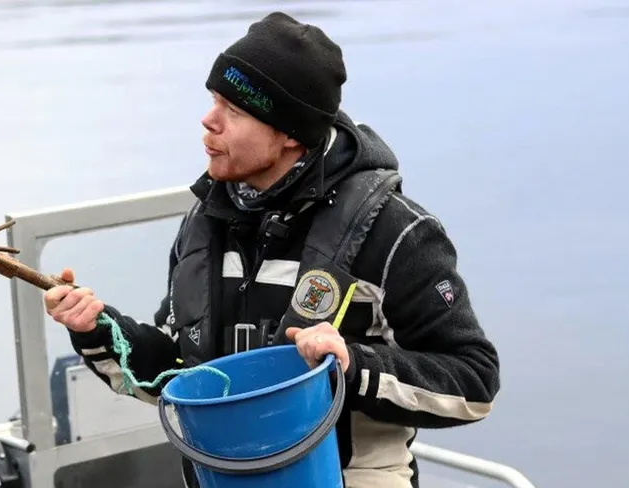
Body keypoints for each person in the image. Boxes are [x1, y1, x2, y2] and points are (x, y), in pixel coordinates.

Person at [43, 11, 500, 488]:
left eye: (233, 110)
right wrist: (97, 330)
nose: (208, 119)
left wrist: (354, 365)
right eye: (213, 100)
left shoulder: (397, 233)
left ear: (290, 134)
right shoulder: (204, 223)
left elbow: (474, 383)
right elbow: (178, 372)